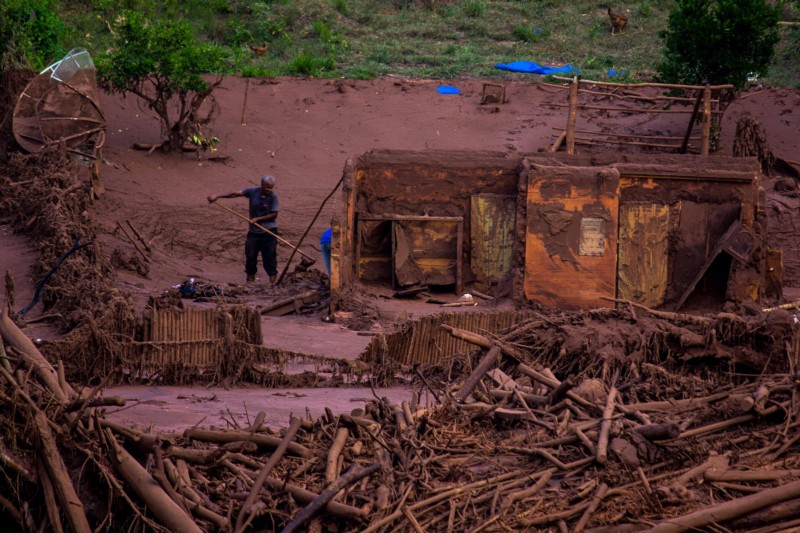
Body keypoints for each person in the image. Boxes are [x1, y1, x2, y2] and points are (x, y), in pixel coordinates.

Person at [207, 175, 280, 284]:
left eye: (271, 187)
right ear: (262, 185)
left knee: (269, 258)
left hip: (269, 232)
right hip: (254, 232)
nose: (270, 190)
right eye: (268, 187)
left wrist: (258, 219)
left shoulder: (273, 197)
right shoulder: (253, 191)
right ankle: (250, 281)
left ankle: (273, 282)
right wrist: (217, 196)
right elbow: (235, 194)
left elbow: (274, 214)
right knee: (250, 256)